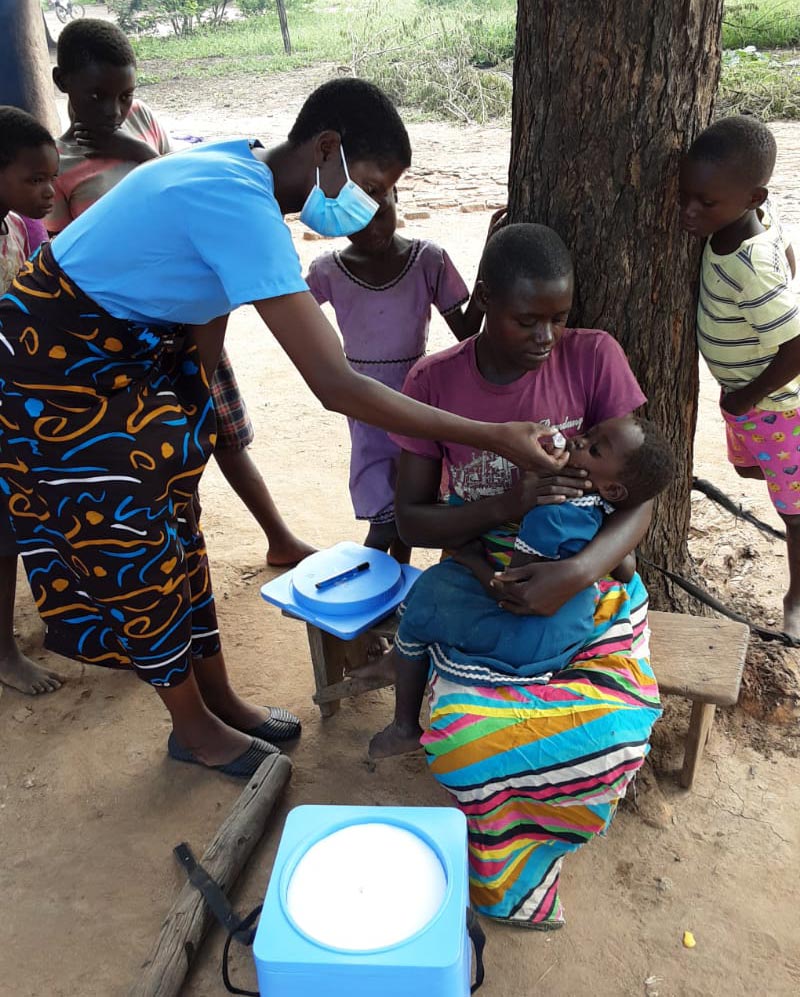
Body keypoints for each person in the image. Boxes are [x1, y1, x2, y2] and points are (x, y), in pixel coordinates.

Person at [0, 80, 560, 779]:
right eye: (375, 183)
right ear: (328, 149)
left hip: (135, 363)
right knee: (136, 554)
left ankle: (219, 697)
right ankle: (194, 729)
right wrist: (494, 433)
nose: (378, 205)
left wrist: (189, 413)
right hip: (61, 367)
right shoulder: (237, 199)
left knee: (177, 528)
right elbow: (337, 385)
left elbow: (202, 302)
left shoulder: (239, 177)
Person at [376, 222, 662, 928]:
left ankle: (533, 832)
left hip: (579, 585)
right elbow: (412, 520)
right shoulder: (433, 382)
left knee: (618, 729)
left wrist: (578, 570)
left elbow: (641, 492)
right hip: (481, 578)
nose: (546, 336)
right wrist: (505, 505)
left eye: (558, 318)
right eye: (526, 318)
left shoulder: (593, 357)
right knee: (464, 737)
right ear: (485, 300)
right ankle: (506, 856)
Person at [47, 17, 313, 569]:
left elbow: (179, 183)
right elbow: (65, 252)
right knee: (160, 445)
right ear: (60, 83)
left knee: (221, 428)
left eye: (125, 95)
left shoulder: (139, 124)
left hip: (191, 313)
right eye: (97, 96)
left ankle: (278, 536)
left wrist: (132, 147)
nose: (114, 109)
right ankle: (180, 547)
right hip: (126, 333)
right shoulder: (56, 166)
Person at [369, 416, 675, 757]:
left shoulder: (551, 513)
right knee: (442, 588)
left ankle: (404, 726)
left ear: (613, 488)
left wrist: (469, 556)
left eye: (594, 448)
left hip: (527, 635)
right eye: (586, 434)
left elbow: (511, 589)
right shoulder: (600, 506)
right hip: (572, 627)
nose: (577, 441)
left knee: (426, 598)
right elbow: (625, 569)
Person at [306, 191, 501, 560]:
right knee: (383, 524)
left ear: (396, 193)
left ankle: (389, 598)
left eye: (379, 212)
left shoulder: (427, 260)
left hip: (416, 405)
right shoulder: (327, 271)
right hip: (365, 408)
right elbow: (296, 318)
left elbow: (467, 332)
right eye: (353, 217)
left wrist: (489, 259)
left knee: (408, 513)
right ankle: (366, 600)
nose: (369, 229)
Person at [679, 115, 800, 636]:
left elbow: (796, 347)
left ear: (752, 197)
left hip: (776, 407)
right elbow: (785, 239)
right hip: (747, 403)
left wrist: (744, 397)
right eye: (687, 196)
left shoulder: (751, 264)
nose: (689, 212)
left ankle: (797, 597)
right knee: (752, 472)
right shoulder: (748, 220)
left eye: (705, 204)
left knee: (794, 512)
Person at [0, 107, 64, 696]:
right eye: (34, 180)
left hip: (15, 403)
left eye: (53, 176)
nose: (49, 189)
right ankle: (3, 652)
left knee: (19, 523)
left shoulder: (20, 230)